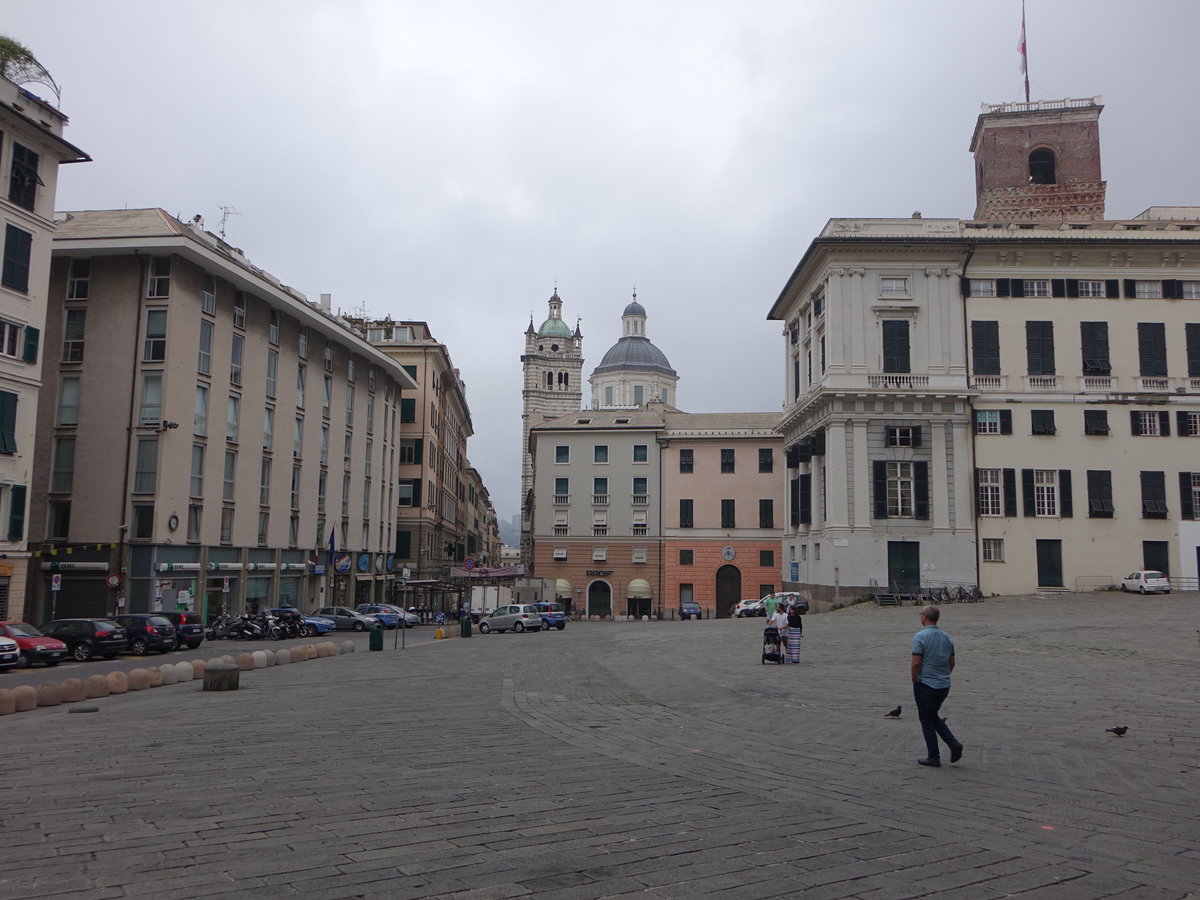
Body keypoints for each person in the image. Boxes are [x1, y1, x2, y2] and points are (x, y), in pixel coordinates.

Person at [911, 605, 964, 768]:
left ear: (925, 617)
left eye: (921, 614)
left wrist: (915, 680)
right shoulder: (947, 637)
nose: (920, 616)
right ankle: (952, 745)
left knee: (926, 719)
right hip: (943, 685)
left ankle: (934, 755)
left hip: (926, 683)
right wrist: (944, 675)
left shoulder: (920, 637)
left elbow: (916, 663)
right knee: (932, 715)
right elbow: (952, 662)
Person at [784, 598, 803, 663]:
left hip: (796, 632)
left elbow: (800, 625)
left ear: (794, 610)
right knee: (790, 646)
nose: (791, 611)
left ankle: (796, 659)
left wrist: (800, 633)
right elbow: (788, 624)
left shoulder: (798, 617)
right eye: (790, 610)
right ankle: (790, 659)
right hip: (791, 632)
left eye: (792, 610)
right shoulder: (788, 617)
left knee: (796, 647)